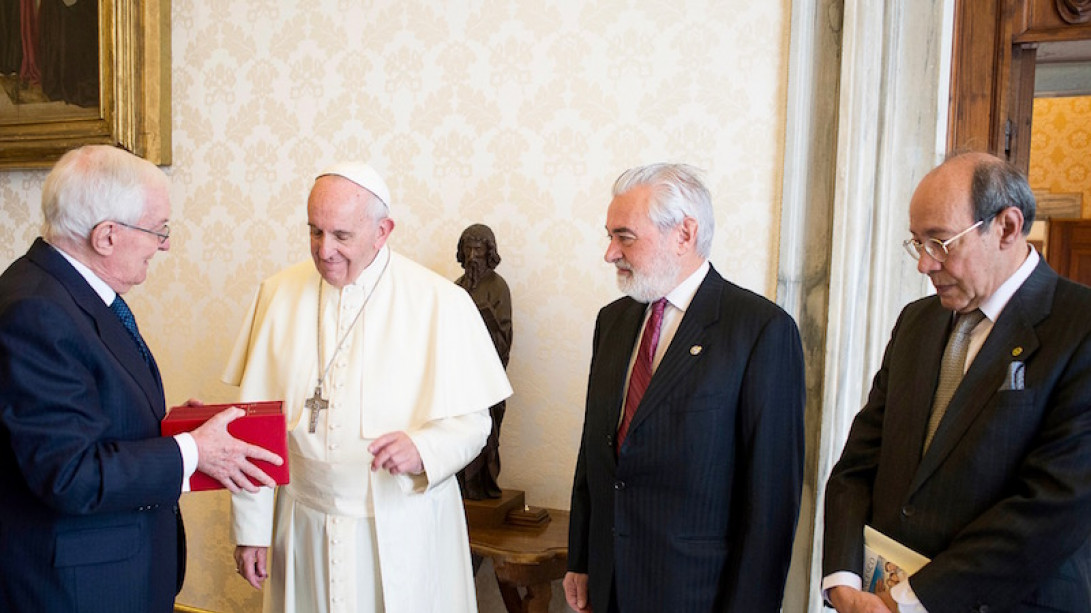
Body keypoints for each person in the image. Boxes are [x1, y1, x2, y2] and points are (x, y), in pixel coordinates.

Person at [0, 145, 283, 613]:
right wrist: (193, 452)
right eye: (158, 230)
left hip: (114, 575)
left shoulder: (68, 294)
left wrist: (174, 432)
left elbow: (90, 424)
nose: (165, 244)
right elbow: (70, 475)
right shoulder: (36, 312)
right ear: (106, 236)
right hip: (76, 590)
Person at [225, 161, 512, 612]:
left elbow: (474, 423)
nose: (324, 250)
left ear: (383, 231)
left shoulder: (440, 302)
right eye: (314, 232)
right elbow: (254, 429)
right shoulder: (278, 294)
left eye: (341, 236)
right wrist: (251, 530)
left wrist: (424, 448)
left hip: (404, 526)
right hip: (303, 523)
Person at [822, 152, 1091, 613]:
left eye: (940, 242)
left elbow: (1052, 506)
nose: (924, 265)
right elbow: (859, 462)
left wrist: (908, 601)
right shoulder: (917, 322)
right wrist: (842, 576)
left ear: (1007, 227)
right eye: (917, 243)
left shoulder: (1079, 326)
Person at [565, 163, 806, 613]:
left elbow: (771, 501)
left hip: (696, 594)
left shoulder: (760, 330)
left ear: (684, 233)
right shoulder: (612, 322)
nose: (610, 253)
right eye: (609, 236)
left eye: (625, 237)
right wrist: (580, 558)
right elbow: (593, 452)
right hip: (610, 584)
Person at [454, 223, 513, 500]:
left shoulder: (497, 286)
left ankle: (481, 485)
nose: (473, 255)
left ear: (489, 251)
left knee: (486, 432)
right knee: (457, 430)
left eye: (479, 249)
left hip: (487, 376)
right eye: (469, 248)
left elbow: (504, 332)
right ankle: (462, 486)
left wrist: (483, 317)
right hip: (459, 375)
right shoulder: (456, 287)